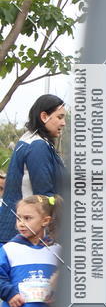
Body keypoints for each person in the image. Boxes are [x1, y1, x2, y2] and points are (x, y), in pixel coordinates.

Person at [0, 96, 65, 245]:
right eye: (59, 117)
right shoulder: (37, 146)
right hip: (26, 235)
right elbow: (44, 195)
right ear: (44, 116)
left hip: (18, 230)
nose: (63, 123)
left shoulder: (29, 139)